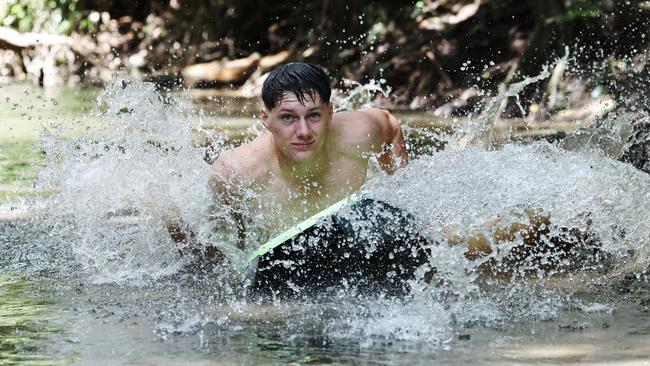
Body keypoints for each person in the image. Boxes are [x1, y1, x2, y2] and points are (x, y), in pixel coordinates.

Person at [168, 62, 410, 256]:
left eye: (314, 115)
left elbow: (389, 124)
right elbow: (221, 248)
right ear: (266, 118)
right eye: (287, 117)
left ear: (330, 113)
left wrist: (400, 189)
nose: (303, 131)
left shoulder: (359, 133)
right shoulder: (236, 172)